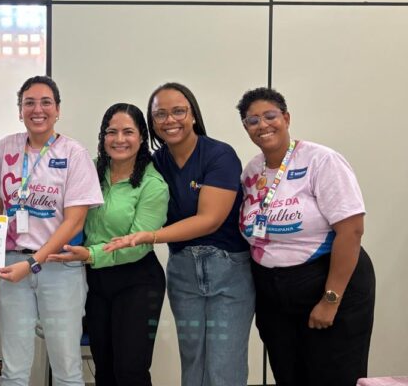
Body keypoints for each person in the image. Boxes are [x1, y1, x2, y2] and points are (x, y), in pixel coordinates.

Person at [104, 82, 254, 386]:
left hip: (228, 269)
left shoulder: (219, 155)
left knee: (224, 366)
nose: (170, 120)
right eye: (160, 114)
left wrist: (149, 236)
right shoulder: (155, 164)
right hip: (183, 268)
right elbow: (108, 173)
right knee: (193, 361)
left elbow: (209, 220)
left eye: (178, 112)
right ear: (152, 123)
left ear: (193, 115)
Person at [236, 87, 375, 386]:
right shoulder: (251, 172)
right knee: (288, 375)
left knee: (333, 376)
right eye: (253, 120)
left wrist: (331, 299)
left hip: (327, 284)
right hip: (275, 295)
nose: (263, 125)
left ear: (286, 118)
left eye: (270, 116)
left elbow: (351, 230)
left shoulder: (321, 161)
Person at [0, 75, 104, 386]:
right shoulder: (6, 147)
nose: (38, 110)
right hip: (11, 265)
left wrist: (34, 261)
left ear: (58, 110)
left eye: (46, 102)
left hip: (60, 268)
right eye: (29, 103)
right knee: (14, 368)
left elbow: (74, 221)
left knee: (66, 367)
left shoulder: (73, 153)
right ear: (19, 110)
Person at [47, 103, 169, 386]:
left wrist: (90, 254)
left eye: (128, 132)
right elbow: (48, 189)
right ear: (103, 137)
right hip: (95, 281)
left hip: (137, 281)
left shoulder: (153, 185)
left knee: (130, 371)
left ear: (141, 137)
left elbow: (137, 244)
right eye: (111, 132)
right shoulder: (89, 171)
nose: (119, 139)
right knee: (104, 369)